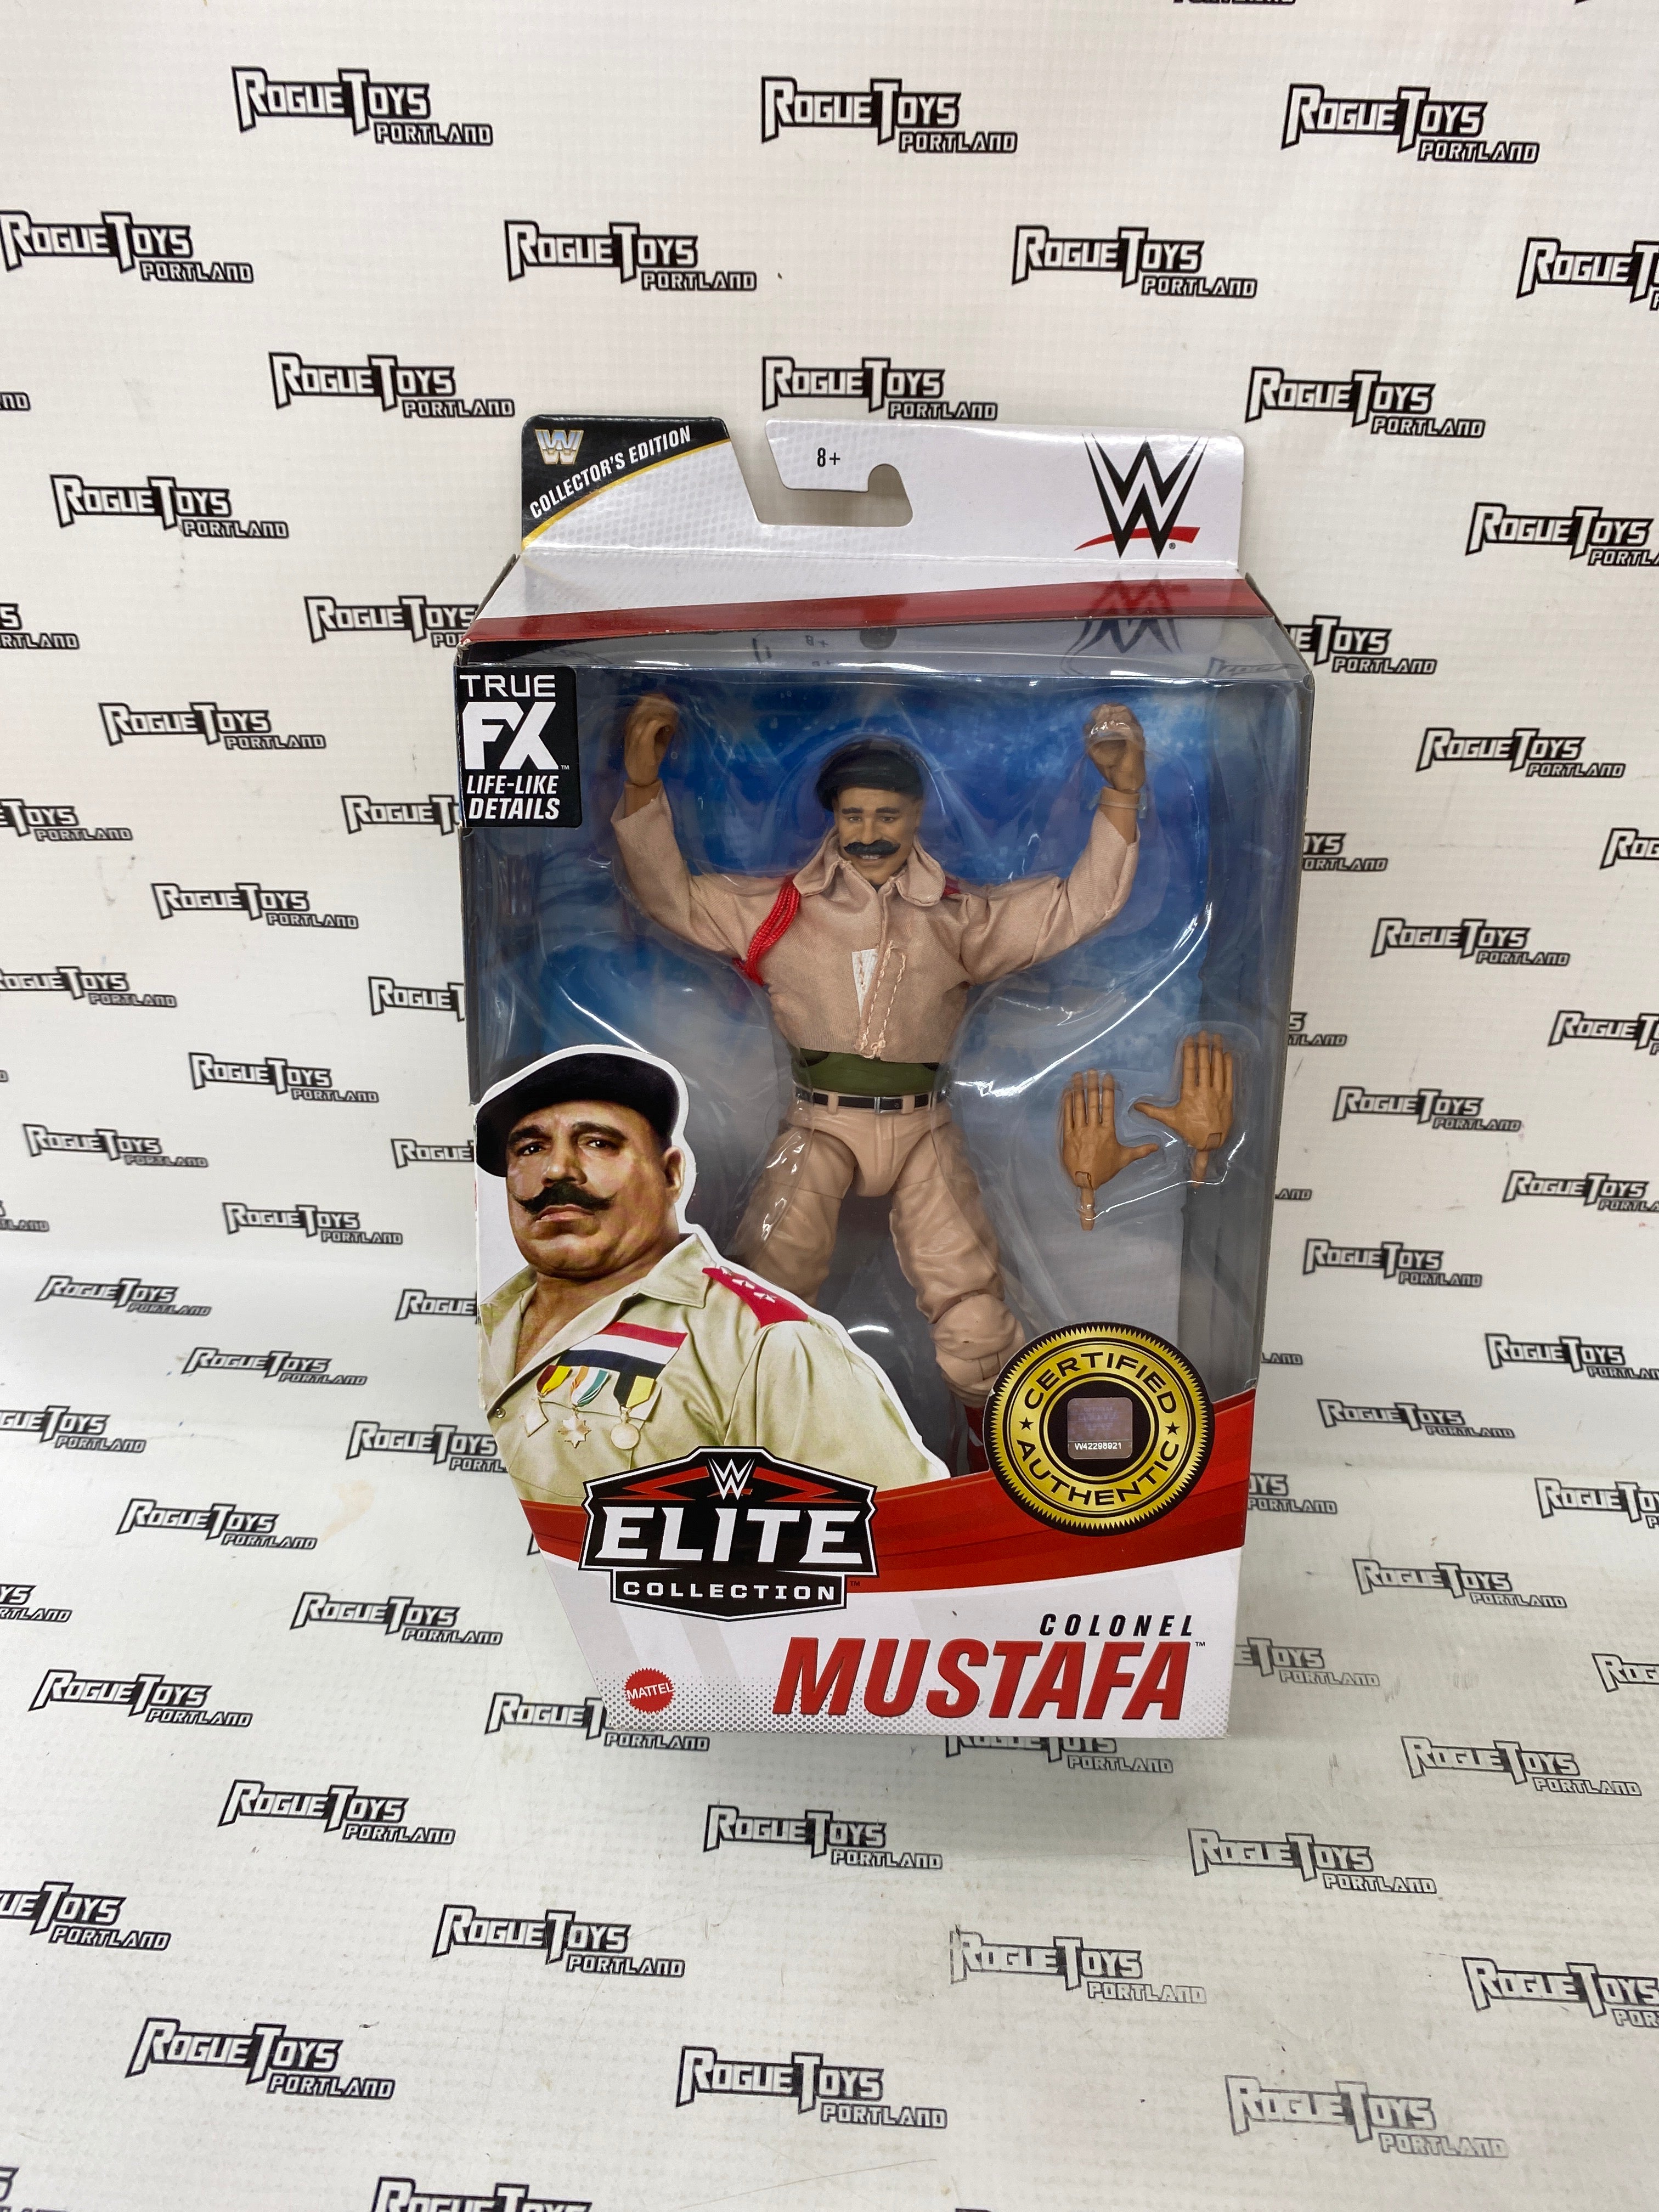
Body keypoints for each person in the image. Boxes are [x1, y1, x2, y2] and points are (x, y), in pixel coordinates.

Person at [611, 695, 1146, 1461]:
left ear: (917, 815)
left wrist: (1122, 793)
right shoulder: (782, 910)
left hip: (923, 1127)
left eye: (888, 815)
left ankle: (992, 1461)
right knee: (764, 1291)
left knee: (973, 1314)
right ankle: (743, 1448)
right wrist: (641, 788)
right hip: (820, 1124)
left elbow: (1075, 908)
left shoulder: (956, 916)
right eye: (855, 815)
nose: (869, 832)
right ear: (834, 818)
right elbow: (673, 897)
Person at [475, 1046, 945, 1505]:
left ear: (671, 1175)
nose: (557, 1169)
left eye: (598, 1143)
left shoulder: (766, 1345)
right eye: (531, 1149)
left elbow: (899, 1535)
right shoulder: (480, 1323)